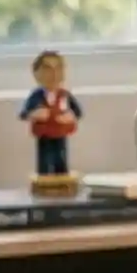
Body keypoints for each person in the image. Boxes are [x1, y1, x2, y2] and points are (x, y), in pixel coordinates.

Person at [19, 50, 82, 180]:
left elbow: (78, 112)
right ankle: (45, 181)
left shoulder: (65, 95)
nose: (53, 74)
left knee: (61, 160)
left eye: (58, 68)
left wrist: (69, 117)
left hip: (60, 134)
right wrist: (35, 114)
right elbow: (23, 113)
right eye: (47, 69)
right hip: (44, 135)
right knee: (45, 160)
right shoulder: (36, 97)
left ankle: (62, 180)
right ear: (37, 73)